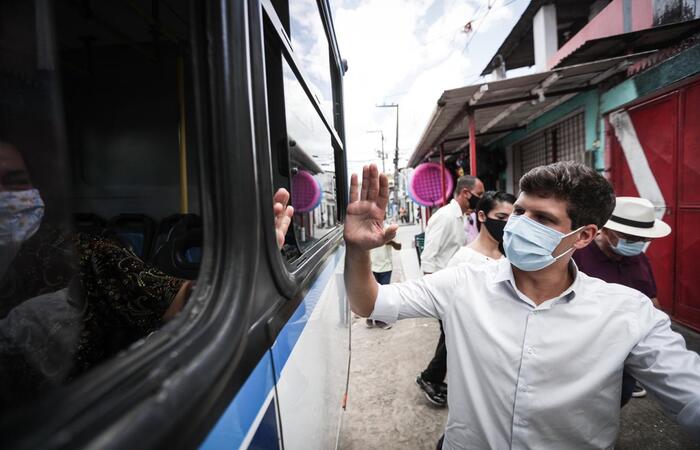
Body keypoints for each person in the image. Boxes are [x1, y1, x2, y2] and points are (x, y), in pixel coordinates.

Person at [344, 163, 700, 449]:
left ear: (584, 236)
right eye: (518, 211)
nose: (519, 225)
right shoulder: (463, 282)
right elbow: (370, 302)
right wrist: (359, 250)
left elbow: (689, 394)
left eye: (542, 219)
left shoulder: (628, 313)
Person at [0, 141, 294, 410]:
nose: (5, 195)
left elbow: (180, 298)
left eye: (14, 184)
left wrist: (246, 267)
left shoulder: (85, 256)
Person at [416, 191, 516, 406]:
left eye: (512, 218)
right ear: (482, 216)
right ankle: (431, 379)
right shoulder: (464, 259)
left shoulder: (508, 254)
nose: (507, 224)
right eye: (501, 218)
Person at [573, 196, 671, 404]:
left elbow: (652, 300)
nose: (638, 245)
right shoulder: (577, 256)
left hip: (625, 350)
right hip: (585, 350)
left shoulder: (639, 259)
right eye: (629, 237)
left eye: (643, 239)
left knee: (621, 395)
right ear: (604, 231)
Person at [420, 175, 484, 274]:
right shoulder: (445, 216)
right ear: (466, 193)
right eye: (479, 194)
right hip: (440, 281)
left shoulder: (462, 216)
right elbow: (428, 258)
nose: (481, 198)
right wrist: (431, 286)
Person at [366, 239, 402, 330]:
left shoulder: (388, 228)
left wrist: (391, 242)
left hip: (386, 267)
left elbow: (399, 247)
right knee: (372, 294)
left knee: (383, 295)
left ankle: (380, 320)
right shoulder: (369, 229)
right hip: (372, 267)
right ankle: (370, 317)